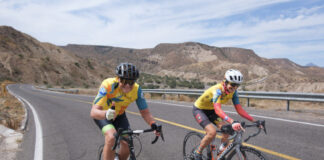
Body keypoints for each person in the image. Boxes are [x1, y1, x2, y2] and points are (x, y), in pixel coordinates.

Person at [90, 62, 160, 160]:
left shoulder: (136, 90)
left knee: (128, 143)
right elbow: (93, 112)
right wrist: (106, 114)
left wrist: (153, 124)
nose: (127, 85)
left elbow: (145, 112)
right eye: (124, 81)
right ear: (118, 78)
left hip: (120, 116)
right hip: (103, 116)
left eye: (131, 82)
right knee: (111, 138)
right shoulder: (108, 85)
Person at [192, 69, 262, 160]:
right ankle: (197, 152)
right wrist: (232, 121)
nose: (234, 87)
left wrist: (255, 121)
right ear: (225, 82)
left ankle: (221, 151)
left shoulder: (234, 92)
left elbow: (239, 109)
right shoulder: (218, 90)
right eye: (232, 84)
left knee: (227, 130)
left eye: (237, 85)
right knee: (212, 132)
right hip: (200, 110)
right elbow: (218, 109)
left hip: (211, 110)